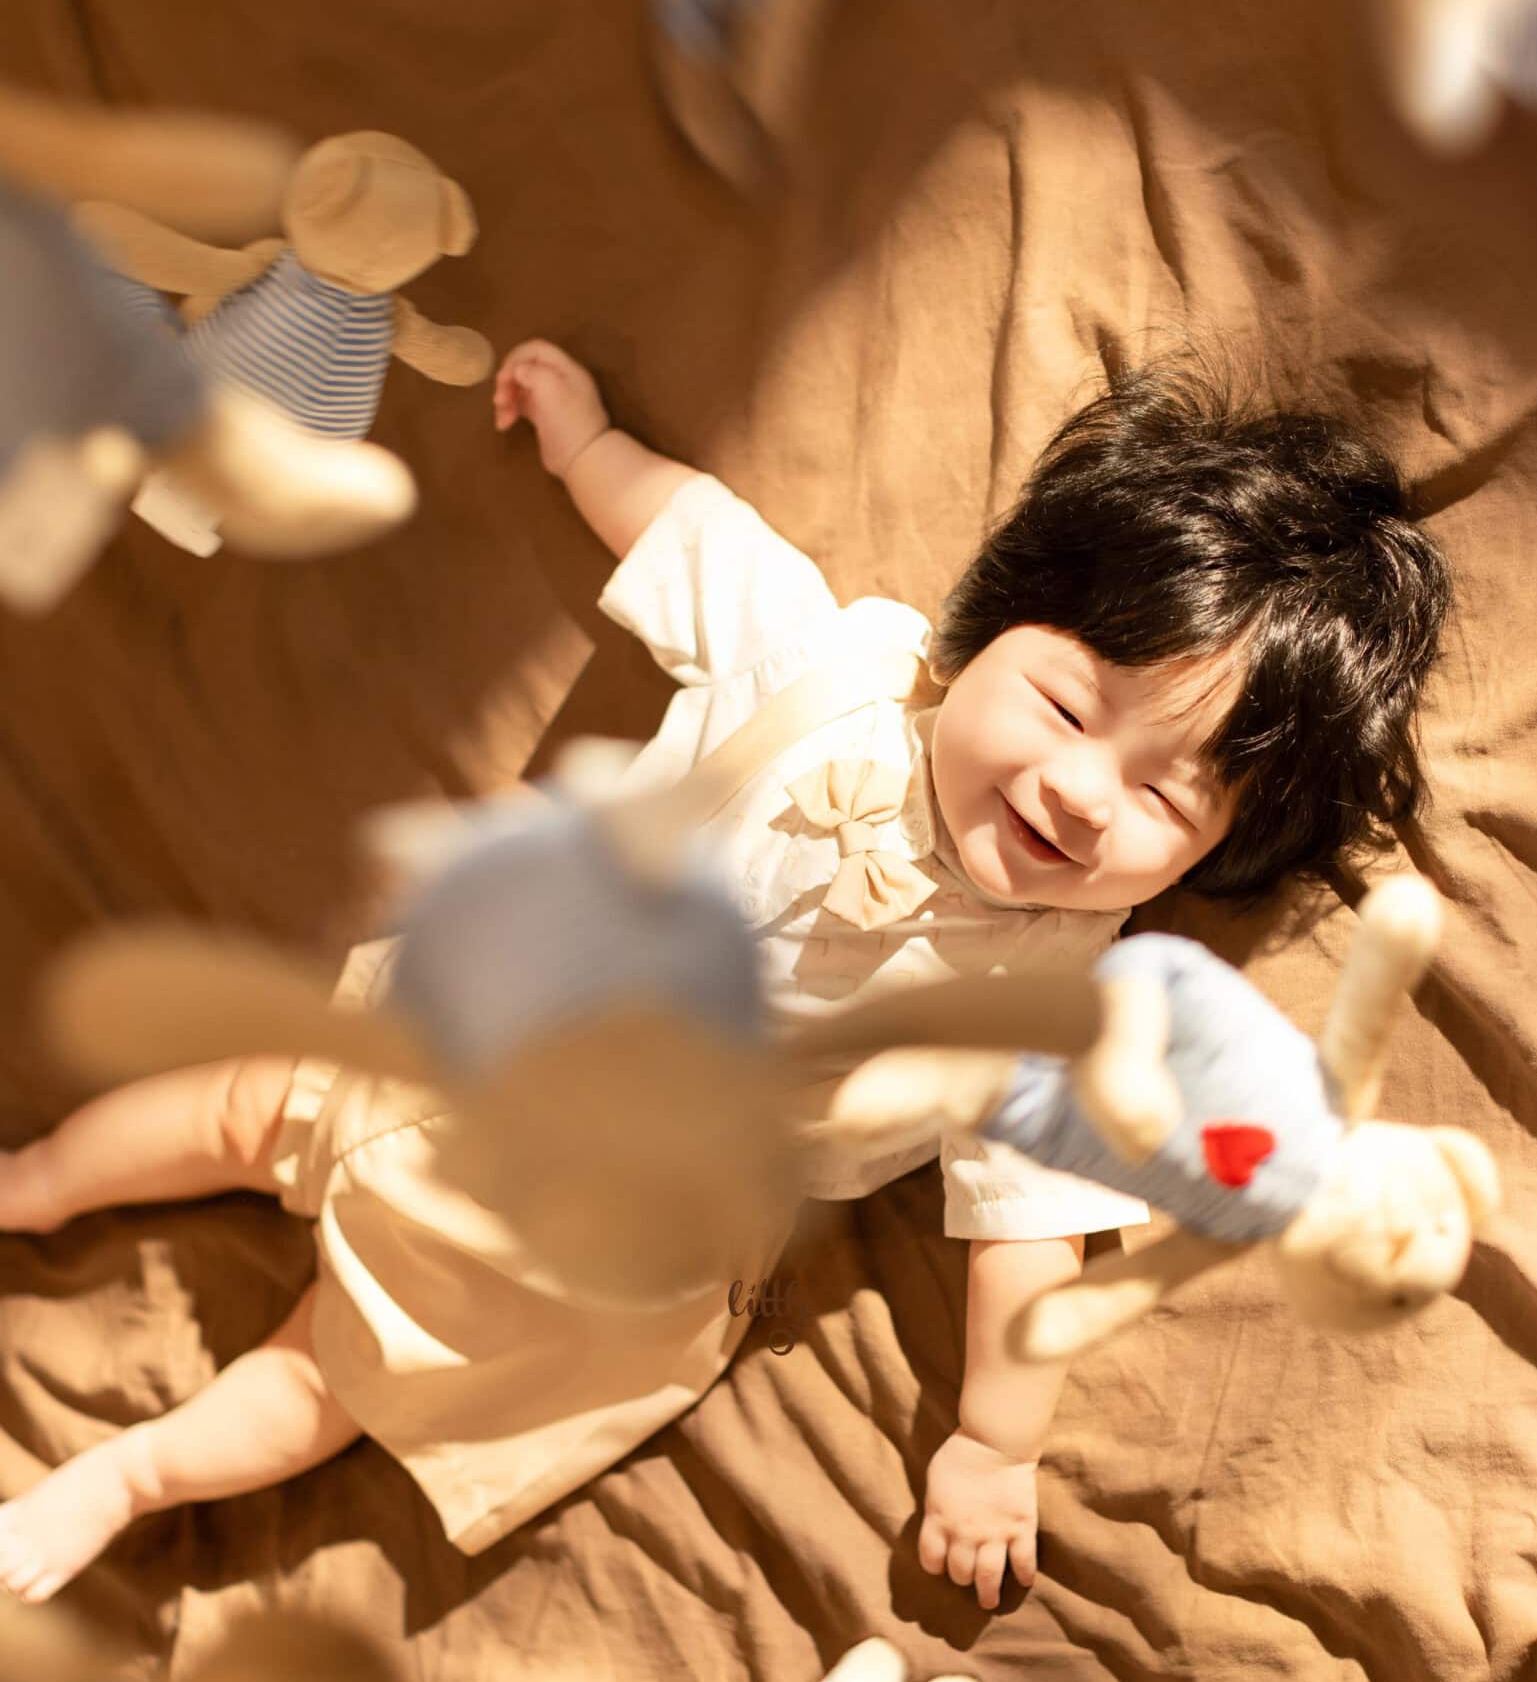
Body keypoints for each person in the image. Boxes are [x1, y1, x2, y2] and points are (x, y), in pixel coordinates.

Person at [0, 341, 1450, 1609]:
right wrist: (588, 444)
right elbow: (687, 532)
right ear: (991, 621)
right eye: (1070, 705)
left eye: (1166, 802)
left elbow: (1029, 1243)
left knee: (333, 1382)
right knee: (235, 1107)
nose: (1081, 791)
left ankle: (127, 1480)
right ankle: (37, 1185)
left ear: (1212, 859)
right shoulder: (818, 664)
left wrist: (996, 1443)